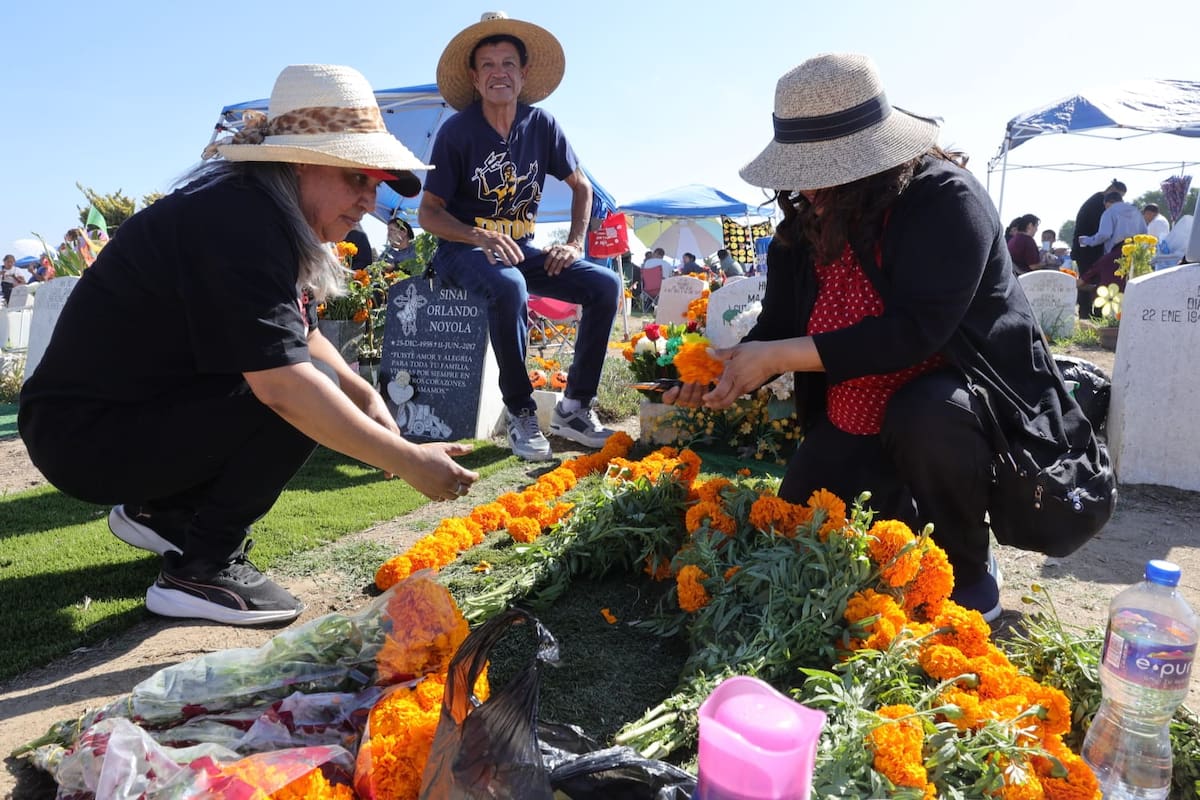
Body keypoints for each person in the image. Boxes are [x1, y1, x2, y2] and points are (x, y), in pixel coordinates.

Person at [19, 64, 480, 627]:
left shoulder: (256, 211)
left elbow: (300, 333)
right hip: (86, 437)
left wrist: (364, 393)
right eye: (358, 178)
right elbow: (284, 385)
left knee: (321, 380)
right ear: (300, 162)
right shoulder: (240, 222)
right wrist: (407, 460)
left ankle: (165, 513)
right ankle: (203, 566)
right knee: (298, 390)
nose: (369, 201)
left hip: (102, 418)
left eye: (376, 184)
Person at [665, 53, 1097, 623]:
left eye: (825, 166)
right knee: (797, 525)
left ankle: (968, 561)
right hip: (854, 407)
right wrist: (724, 371)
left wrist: (780, 355)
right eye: (802, 168)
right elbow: (779, 329)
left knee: (927, 413)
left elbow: (916, 331)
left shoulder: (945, 201)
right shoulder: (802, 231)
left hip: (964, 407)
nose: (809, 186)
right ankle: (910, 516)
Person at [417, 11, 621, 461]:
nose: (498, 73)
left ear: (523, 73)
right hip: (461, 251)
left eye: (507, 63)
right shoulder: (457, 132)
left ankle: (574, 407)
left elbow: (582, 186)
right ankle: (521, 412)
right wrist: (478, 237)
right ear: (474, 77)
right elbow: (428, 214)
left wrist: (572, 241)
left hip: (521, 249)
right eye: (487, 65)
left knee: (605, 285)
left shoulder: (542, 125)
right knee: (510, 284)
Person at [1072, 179, 1125, 318]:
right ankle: (1088, 314)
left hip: (1090, 248)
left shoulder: (1098, 202)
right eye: (1118, 197)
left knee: (1092, 282)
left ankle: (1090, 313)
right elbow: (1103, 232)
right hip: (1087, 250)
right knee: (1089, 281)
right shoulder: (1098, 204)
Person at [1078, 190, 1148, 295]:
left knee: (1114, 288)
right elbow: (1145, 233)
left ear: (1107, 202)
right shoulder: (1136, 211)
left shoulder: (1109, 212)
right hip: (1137, 253)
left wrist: (1088, 240)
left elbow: (1104, 234)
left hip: (1117, 253)